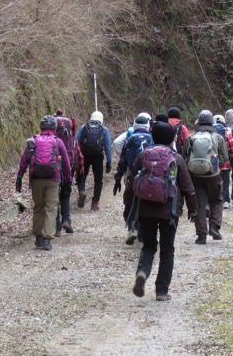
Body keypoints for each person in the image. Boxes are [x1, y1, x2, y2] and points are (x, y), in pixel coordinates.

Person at [129, 121, 197, 301]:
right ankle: (161, 291)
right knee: (167, 249)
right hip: (169, 211)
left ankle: (143, 273)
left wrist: (130, 209)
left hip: (145, 209)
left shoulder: (143, 155)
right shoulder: (176, 158)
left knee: (148, 246)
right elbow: (187, 187)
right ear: (172, 139)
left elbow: (131, 182)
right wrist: (193, 210)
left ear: (153, 136)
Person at [15, 115, 72, 250]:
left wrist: (19, 177)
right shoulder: (58, 142)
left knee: (38, 207)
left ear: (41, 127)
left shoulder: (33, 141)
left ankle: (38, 237)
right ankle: (47, 239)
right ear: (54, 128)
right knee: (51, 208)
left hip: (36, 179)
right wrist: (68, 179)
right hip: (53, 179)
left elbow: (24, 160)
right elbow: (66, 162)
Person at [182, 110, 228, 244]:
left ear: (198, 123)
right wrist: (216, 162)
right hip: (213, 174)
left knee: (199, 204)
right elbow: (225, 157)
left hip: (195, 175)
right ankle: (214, 226)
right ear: (211, 123)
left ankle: (201, 235)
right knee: (217, 199)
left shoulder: (191, 137)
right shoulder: (217, 137)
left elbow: (184, 156)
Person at [113, 113, 153, 245]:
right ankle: (143, 232)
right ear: (148, 126)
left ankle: (132, 228)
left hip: (132, 175)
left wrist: (118, 178)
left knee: (130, 202)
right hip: (149, 175)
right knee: (146, 203)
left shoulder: (130, 139)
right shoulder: (152, 138)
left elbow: (123, 161)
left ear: (134, 125)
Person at [75, 111, 112, 211]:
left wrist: (76, 157)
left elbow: (76, 142)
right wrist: (109, 162)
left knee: (81, 175)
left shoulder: (83, 127)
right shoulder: (104, 129)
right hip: (98, 157)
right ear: (101, 119)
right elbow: (107, 147)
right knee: (98, 180)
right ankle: (95, 203)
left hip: (84, 155)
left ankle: (82, 191)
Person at [54, 108, 82, 236]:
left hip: (53, 170)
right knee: (65, 196)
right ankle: (66, 220)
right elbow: (79, 156)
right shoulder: (72, 140)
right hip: (68, 170)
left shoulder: (50, 139)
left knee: (54, 198)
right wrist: (78, 173)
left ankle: (57, 227)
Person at [213, 114, 233, 209]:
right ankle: (225, 201)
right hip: (225, 163)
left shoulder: (208, 133)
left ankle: (214, 201)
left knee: (213, 182)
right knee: (225, 182)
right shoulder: (226, 133)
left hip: (212, 164)